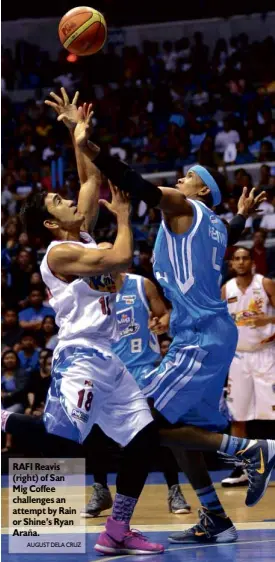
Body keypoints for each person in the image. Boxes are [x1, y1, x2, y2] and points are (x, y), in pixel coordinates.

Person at [85, 116, 275, 544]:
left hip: (201, 338)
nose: (181, 179)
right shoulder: (216, 226)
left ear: (201, 190)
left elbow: (138, 184)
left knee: (143, 424)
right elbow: (231, 231)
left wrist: (88, 145)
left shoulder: (183, 207)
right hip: (206, 333)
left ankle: (252, 450)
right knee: (182, 437)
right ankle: (215, 518)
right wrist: (242, 216)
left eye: (189, 177)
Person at [1, 91, 163, 557]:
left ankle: (116, 530)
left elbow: (90, 180)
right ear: (52, 224)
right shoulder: (60, 252)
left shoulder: (81, 232)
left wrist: (77, 133)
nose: (69, 200)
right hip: (80, 354)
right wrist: (127, 218)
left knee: (144, 438)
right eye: (58, 201)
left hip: (109, 357)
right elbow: (121, 256)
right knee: (61, 437)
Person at [82, 266, 190, 517]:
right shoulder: (88, 293)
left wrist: (161, 323)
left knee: (157, 433)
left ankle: (174, 489)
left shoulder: (142, 285)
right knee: (93, 430)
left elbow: (164, 316)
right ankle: (100, 489)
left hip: (143, 369)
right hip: (107, 371)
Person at [221, 247, 275, 487]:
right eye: (237, 259)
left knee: (271, 414)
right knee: (238, 417)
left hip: (266, 355)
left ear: (252, 262)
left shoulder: (265, 284)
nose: (241, 262)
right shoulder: (226, 289)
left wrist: (269, 319)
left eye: (245, 258)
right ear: (232, 264)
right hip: (238, 358)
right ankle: (241, 469)